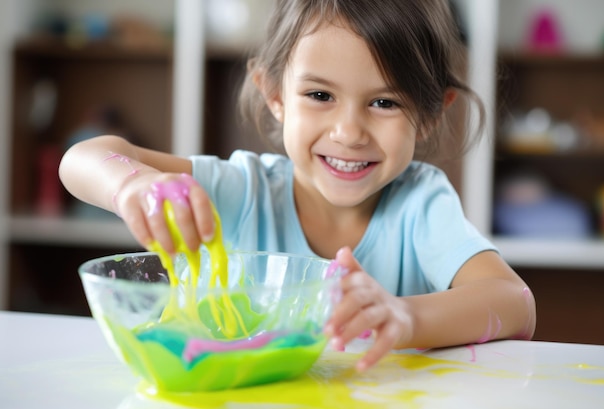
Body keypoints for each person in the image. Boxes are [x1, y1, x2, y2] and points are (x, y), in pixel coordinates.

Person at [59, 0, 536, 372]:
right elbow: (84, 157)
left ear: (432, 112)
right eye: (320, 95)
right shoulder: (240, 190)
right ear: (275, 94)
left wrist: (405, 317)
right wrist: (132, 184)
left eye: (385, 102)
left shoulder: (420, 204)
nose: (349, 131)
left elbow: (514, 303)